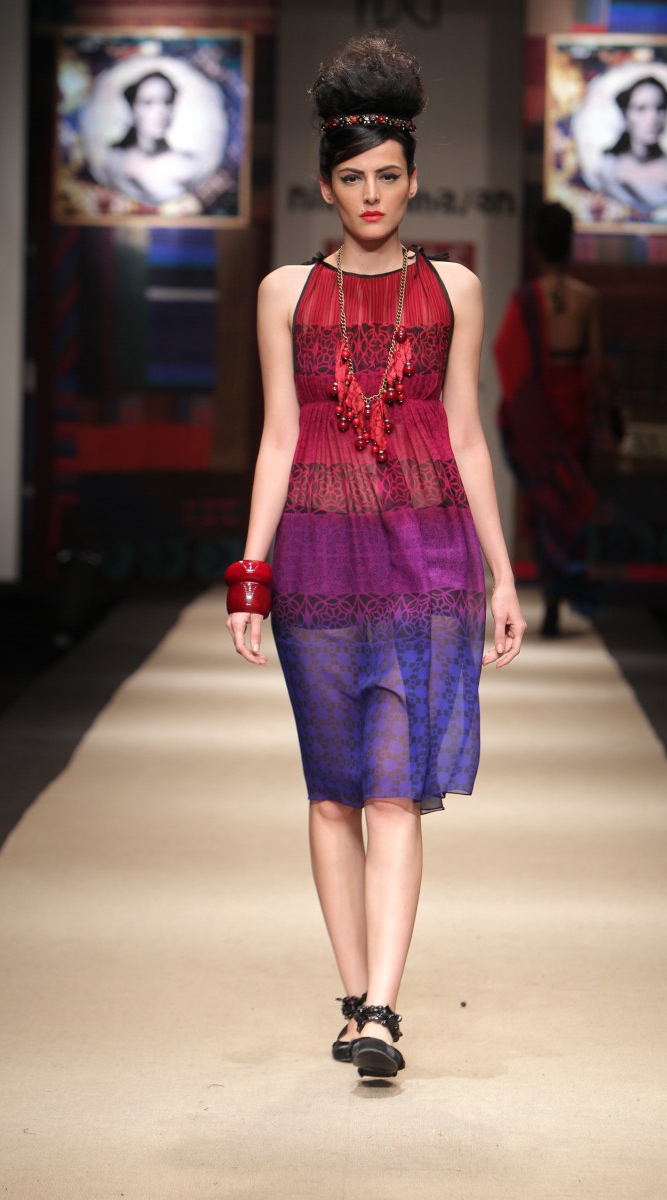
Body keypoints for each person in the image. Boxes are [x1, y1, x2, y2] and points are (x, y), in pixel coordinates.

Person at [225, 34, 525, 1080]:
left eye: (387, 177)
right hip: (316, 557)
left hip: (427, 558)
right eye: (352, 179)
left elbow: (467, 437)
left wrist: (503, 575)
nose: (370, 196)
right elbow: (277, 438)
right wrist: (250, 577)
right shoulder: (283, 293)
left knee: (393, 787)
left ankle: (385, 1012)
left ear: (411, 179)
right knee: (330, 792)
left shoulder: (453, 289)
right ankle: (353, 996)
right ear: (325, 186)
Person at [493, 200, 612, 638]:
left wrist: (523, 413)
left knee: (545, 506)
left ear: (538, 247)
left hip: (539, 416)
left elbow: (505, 354)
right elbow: (596, 369)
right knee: (568, 503)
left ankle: (550, 595)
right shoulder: (587, 300)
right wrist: (607, 415)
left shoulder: (526, 299)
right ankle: (562, 591)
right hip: (573, 410)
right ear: (570, 245)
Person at [592, 75, 667, 212]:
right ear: (626, 115)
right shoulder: (608, 168)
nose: (652, 118)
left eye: (660, 108)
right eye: (641, 109)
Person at [101, 70, 201, 205]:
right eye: (148, 102)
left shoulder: (187, 165)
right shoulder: (114, 160)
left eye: (167, 101)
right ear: (132, 109)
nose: (160, 111)